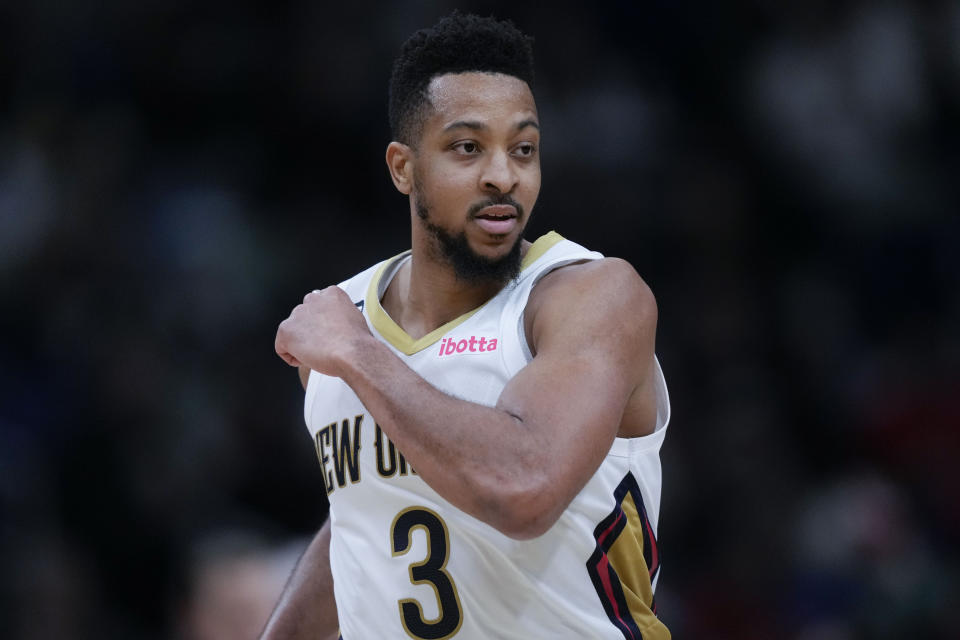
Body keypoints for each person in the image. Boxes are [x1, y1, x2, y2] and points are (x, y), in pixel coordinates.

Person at [266, 12, 671, 640]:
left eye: (523, 149)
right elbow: (362, 514)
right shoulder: (343, 320)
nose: (503, 175)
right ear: (403, 168)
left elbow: (525, 489)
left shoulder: (589, 296)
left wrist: (358, 354)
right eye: (467, 148)